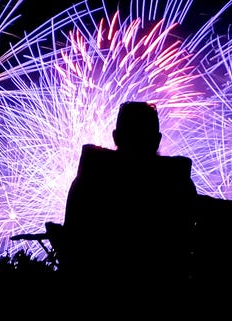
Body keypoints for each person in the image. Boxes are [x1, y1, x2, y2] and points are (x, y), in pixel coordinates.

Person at [60, 101, 199, 290]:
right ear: (157, 140)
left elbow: (72, 253)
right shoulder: (179, 186)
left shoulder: (87, 182)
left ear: (116, 137)